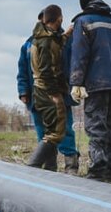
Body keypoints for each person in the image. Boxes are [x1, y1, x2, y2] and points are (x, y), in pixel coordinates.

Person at [69, 0, 111, 181]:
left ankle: (98, 170)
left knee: (95, 126)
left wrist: (77, 82)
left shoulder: (83, 22)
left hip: (95, 83)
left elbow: (79, 53)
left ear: (83, 5)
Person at [18, 12, 81, 171]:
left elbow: (72, 63)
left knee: (64, 130)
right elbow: (23, 71)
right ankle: (48, 167)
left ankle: (70, 165)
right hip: (41, 95)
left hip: (60, 94)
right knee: (44, 132)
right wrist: (23, 91)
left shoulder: (64, 41)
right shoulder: (29, 44)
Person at [26, 4, 69, 171]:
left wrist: (66, 35)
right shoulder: (45, 42)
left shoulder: (41, 36)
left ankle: (50, 170)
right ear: (59, 19)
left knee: (49, 131)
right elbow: (46, 70)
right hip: (47, 91)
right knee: (56, 133)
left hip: (39, 90)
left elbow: (55, 44)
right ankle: (32, 167)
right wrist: (55, 94)